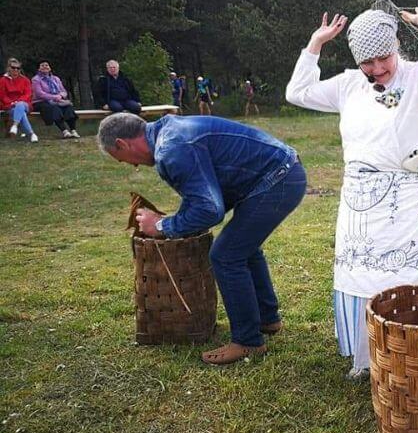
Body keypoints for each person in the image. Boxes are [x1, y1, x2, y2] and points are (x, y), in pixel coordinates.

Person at [286, 0, 418, 380]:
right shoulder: (349, 85)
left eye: (383, 58)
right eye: (367, 61)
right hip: (362, 205)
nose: (377, 68)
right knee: (367, 276)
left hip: (413, 198)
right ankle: (372, 356)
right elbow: (297, 93)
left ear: (396, 48)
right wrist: (315, 44)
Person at [96, 113, 306, 365]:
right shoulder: (169, 133)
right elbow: (204, 197)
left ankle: (248, 342)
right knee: (242, 247)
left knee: (226, 256)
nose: (133, 165)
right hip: (282, 172)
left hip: (278, 179)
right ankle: (266, 319)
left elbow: (209, 210)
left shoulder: (171, 148)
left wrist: (161, 225)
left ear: (122, 144)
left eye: (121, 159)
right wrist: (176, 221)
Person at [32, 60, 79, 139]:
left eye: (46, 65)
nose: (45, 67)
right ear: (39, 69)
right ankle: (64, 131)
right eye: (42, 65)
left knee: (68, 107)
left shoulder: (56, 79)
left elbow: (63, 91)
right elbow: (39, 93)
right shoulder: (36, 79)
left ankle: (73, 130)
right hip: (42, 101)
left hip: (58, 100)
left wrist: (60, 96)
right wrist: (54, 97)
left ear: (50, 68)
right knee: (55, 108)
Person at [0, 58, 38, 142]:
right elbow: (2, 95)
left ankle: (15, 125)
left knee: (20, 105)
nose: (16, 70)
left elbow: (28, 93)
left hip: (25, 104)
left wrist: (18, 102)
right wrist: (12, 102)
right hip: (9, 105)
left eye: (18, 68)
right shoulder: (3, 80)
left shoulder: (25, 80)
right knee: (21, 113)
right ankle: (32, 134)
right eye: (13, 67)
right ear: (8, 68)